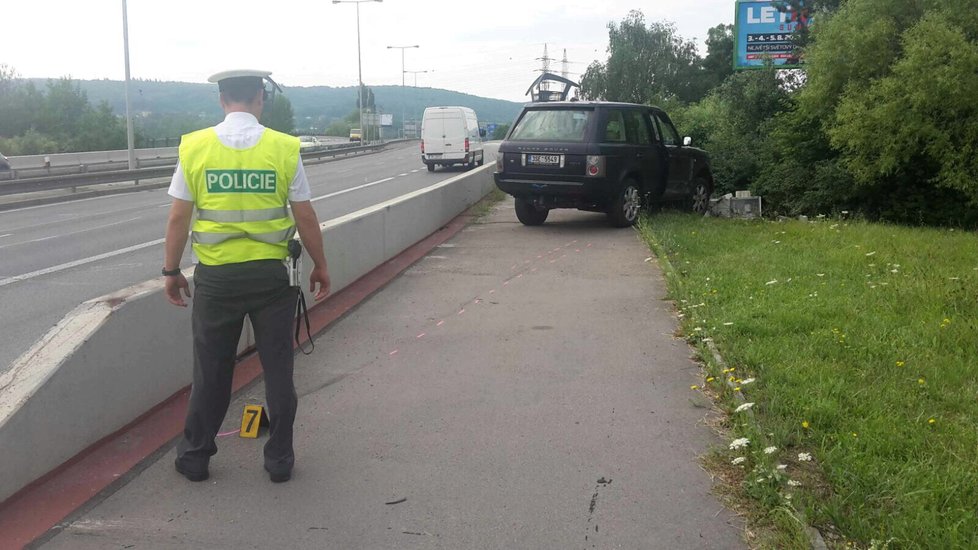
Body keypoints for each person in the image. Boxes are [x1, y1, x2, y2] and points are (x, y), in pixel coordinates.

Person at [162, 69, 330, 483]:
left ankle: (196, 457)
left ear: (221, 101)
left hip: (217, 279)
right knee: (278, 370)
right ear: (260, 99)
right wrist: (321, 265)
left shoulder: (196, 147)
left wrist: (170, 270)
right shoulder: (284, 148)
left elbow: (179, 217)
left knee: (212, 371)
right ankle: (279, 461)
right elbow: (304, 215)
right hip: (271, 279)